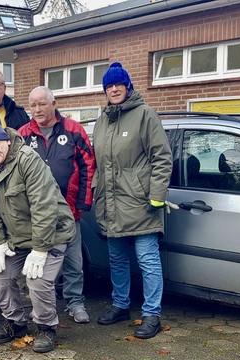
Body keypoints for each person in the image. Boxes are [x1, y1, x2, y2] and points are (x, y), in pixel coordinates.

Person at [0, 120, 76, 353]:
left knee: (37, 280)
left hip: (52, 233)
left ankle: (45, 327)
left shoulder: (27, 159)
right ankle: (16, 323)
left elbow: (44, 205)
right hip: (17, 238)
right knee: (0, 275)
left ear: (7, 142)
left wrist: (40, 250)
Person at [92, 62, 172, 339]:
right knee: (116, 259)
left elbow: (162, 158)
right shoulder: (103, 119)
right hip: (112, 203)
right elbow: (99, 164)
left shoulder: (145, 115)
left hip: (141, 202)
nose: (114, 89)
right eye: (109, 86)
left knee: (148, 260)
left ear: (128, 87)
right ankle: (121, 305)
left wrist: (157, 196)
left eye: (119, 85)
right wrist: (95, 191)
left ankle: (152, 314)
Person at [17, 86, 96, 324]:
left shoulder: (74, 130)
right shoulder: (22, 134)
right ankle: (43, 306)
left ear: (54, 103)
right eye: (33, 105)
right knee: (40, 265)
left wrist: (83, 203)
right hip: (36, 216)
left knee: (73, 262)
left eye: (42, 104)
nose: (37, 109)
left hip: (69, 212)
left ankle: (75, 303)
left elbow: (88, 167)